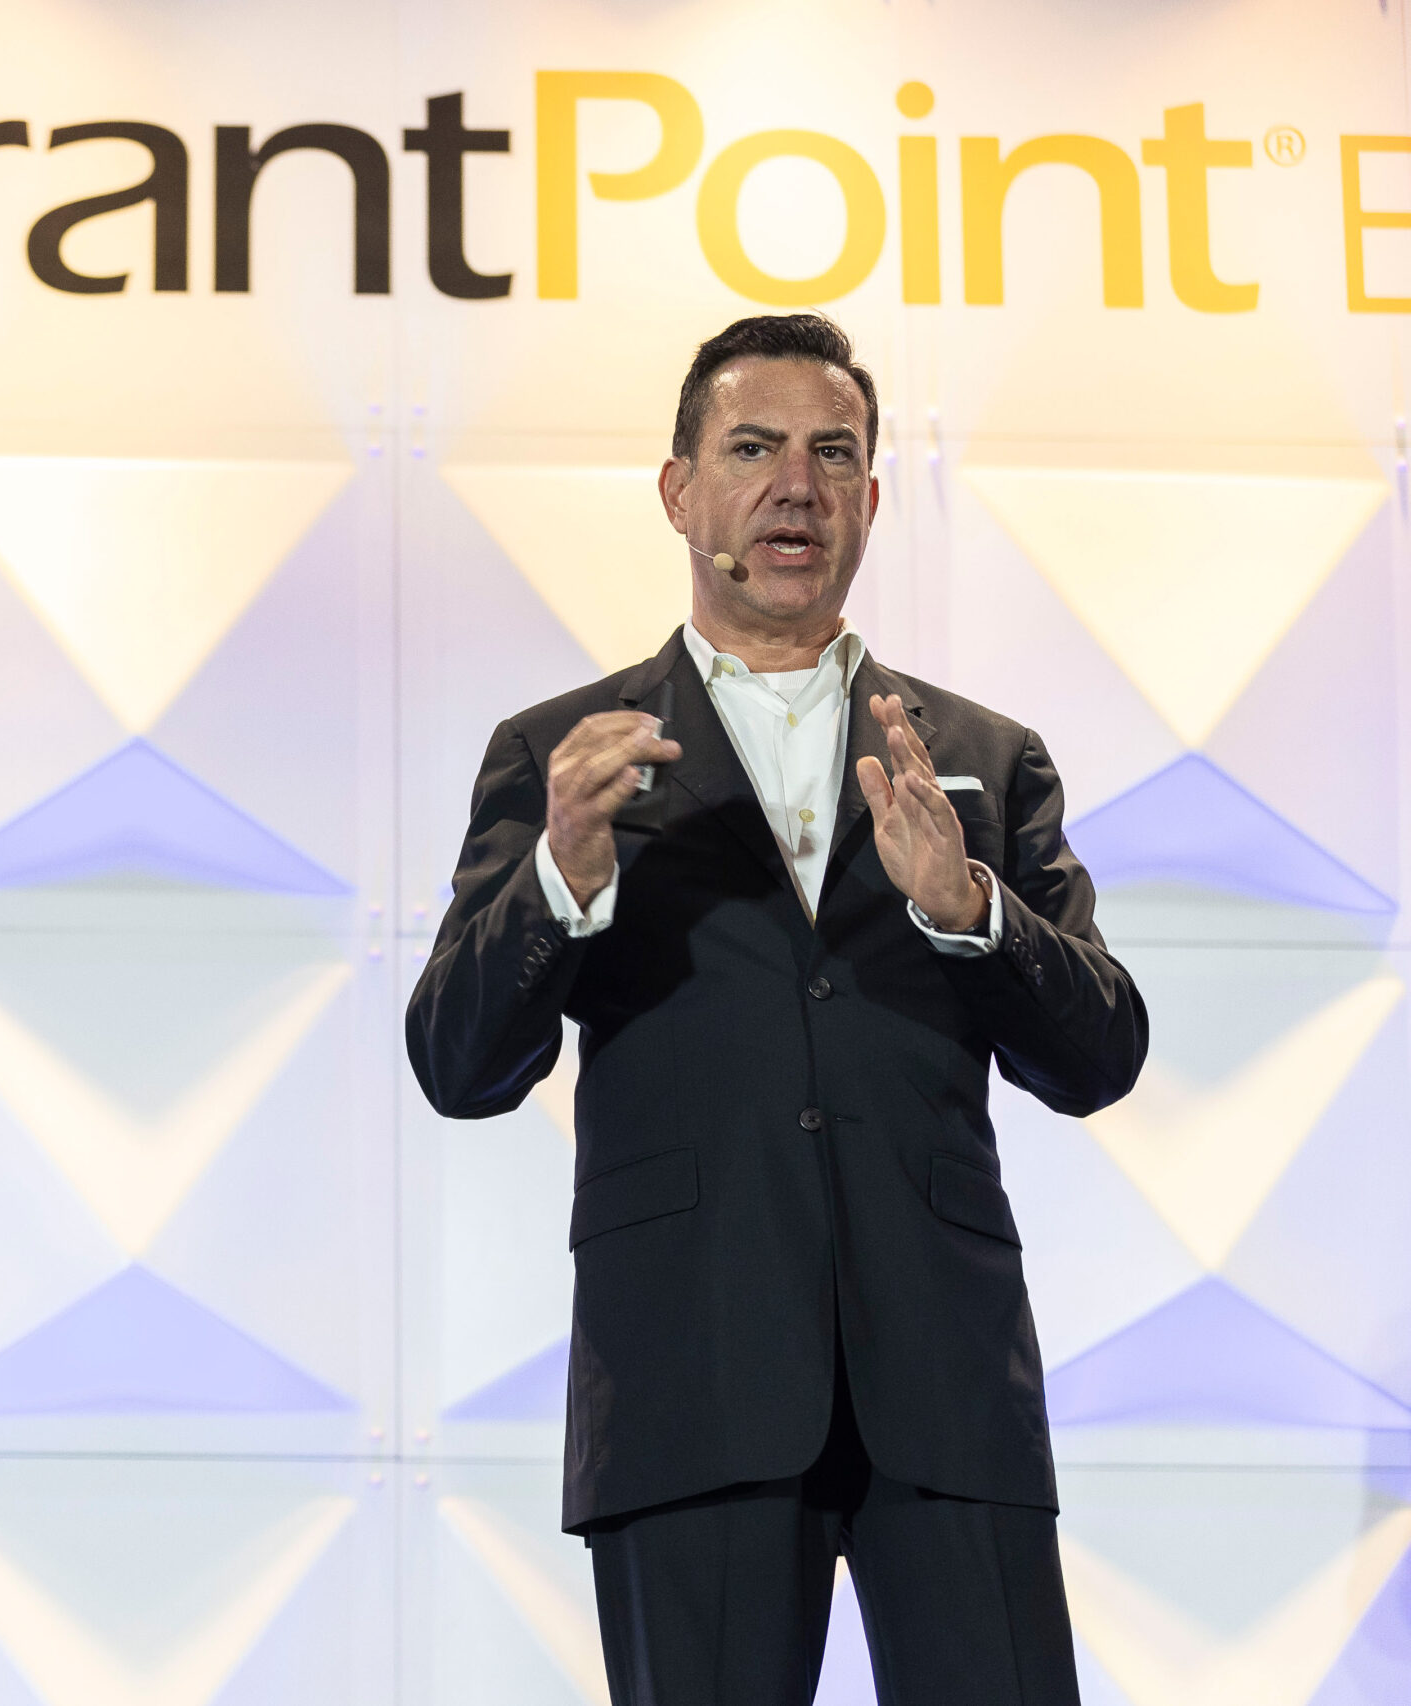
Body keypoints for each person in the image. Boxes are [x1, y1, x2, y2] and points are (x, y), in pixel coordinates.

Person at [406, 313, 1147, 1705]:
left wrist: (970, 907)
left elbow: (1101, 1052)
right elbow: (458, 1061)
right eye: (752, 448)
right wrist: (560, 877)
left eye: (833, 453)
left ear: (870, 498)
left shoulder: (984, 757)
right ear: (680, 490)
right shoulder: (562, 755)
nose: (795, 485)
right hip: (689, 1374)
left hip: (948, 1382)